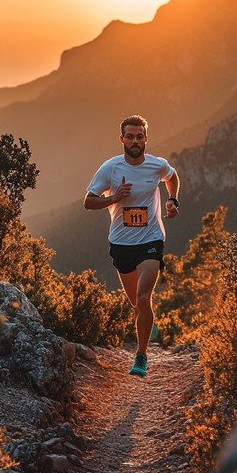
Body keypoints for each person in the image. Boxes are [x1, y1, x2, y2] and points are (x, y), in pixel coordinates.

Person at [84, 114, 180, 377]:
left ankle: (141, 355)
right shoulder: (110, 168)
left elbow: (172, 177)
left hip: (151, 239)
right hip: (121, 242)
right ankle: (148, 320)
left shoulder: (156, 165)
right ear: (122, 139)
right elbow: (88, 202)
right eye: (130, 136)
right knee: (136, 304)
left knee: (143, 296)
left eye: (140, 136)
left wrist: (173, 200)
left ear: (146, 138)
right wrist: (114, 198)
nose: (135, 141)